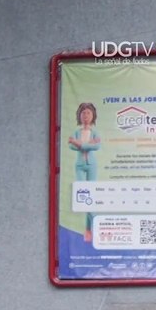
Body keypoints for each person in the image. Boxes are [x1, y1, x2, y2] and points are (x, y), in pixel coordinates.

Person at [68, 102, 102, 242]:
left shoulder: (95, 132)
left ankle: (89, 230)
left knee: (91, 197)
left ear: (93, 115)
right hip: (80, 165)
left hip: (92, 165)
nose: (86, 116)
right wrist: (87, 144)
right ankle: (96, 224)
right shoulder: (77, 131)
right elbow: (71, 146)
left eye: (88, 113)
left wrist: (79, 143)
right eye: (83, 113)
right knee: (84, 195)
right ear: (79, 116)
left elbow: (97, 146)